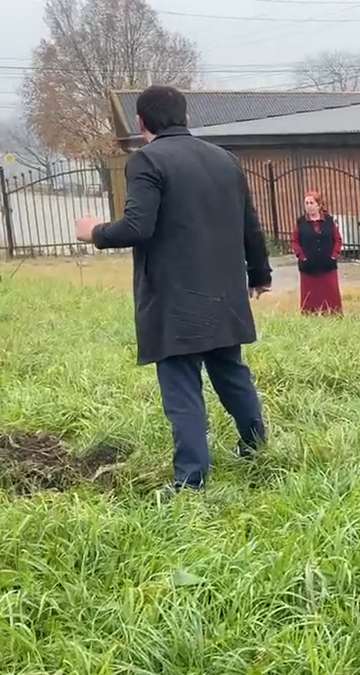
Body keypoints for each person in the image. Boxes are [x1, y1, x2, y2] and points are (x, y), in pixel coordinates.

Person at [73, 85, 271, 494]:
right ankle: (256, 448)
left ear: (141, 122)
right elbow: (249, 223)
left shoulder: (147, 160)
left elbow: (137, 227)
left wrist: (93, 232)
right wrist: (260, 273)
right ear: (184, 116)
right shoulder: (225, 160)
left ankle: (190, 480)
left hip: (175, 299)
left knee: (182, 388)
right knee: (232, 374)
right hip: (224, 294)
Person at [292, 190, 344, 315]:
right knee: (310, 296)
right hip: (308, 266)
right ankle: (311, 316)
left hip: (327, 265)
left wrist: (334, 255)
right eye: (306, 203)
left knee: (330, 294)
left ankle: (332, 315)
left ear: (318, 205)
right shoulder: (301, 222)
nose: (309, 206)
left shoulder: (329, 221)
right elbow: (295, 241)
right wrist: (301, 256)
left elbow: (337, 239)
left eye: (311, 202)